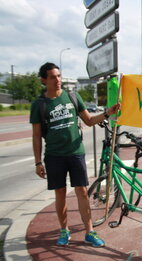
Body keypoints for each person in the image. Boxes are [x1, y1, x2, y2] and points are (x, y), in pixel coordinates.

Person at [30, 62, 120, 247]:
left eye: (59, 76)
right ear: (43, 80)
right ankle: (64, 230)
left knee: (82, 191)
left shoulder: (72, 96)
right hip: (54, 155)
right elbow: (37, 136)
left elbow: (88, 120)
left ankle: (90, 232)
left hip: (75, 153)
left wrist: (107, 113)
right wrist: (38, 162)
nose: (58, 80)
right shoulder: (39, 105)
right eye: (53, 77)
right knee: (60, 193)